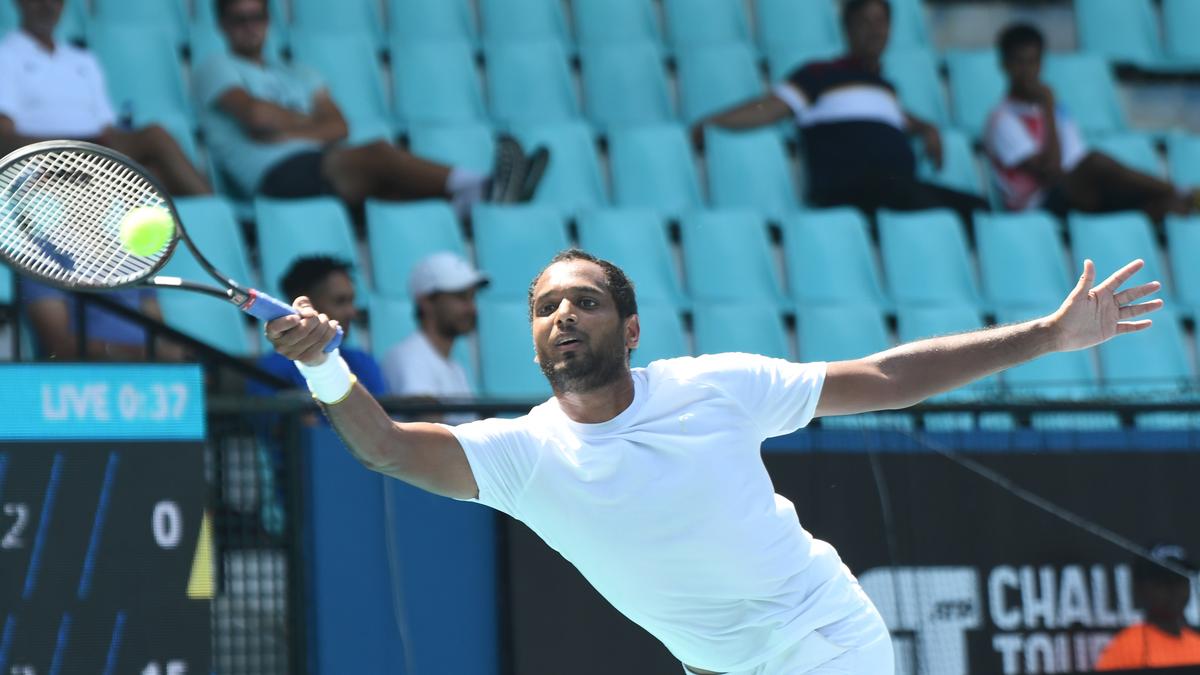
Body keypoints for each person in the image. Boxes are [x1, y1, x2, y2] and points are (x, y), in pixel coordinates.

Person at [266, 244, 1161, 675]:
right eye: (545, 308)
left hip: (827, 641)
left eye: (585, 301)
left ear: (632, 330)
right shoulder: (522, 454)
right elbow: (384, 448)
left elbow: (887, 376)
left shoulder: (716, 386)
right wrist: (321, 363)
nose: (563, 315)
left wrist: (1046, 336)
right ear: (534, 340)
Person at [196, 0, 546, 216]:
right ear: (223, 25)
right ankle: (484, 187)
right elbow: (257, 117)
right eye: (239, 19)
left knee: (390, 189)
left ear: (268, 20)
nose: (250, 27)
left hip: (318, 166)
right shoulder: (216, 66)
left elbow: (339, 126)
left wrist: (284, 127)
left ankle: (478, 198)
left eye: (257, 17)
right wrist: (309, 124)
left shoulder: (298, 72)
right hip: (273, 178)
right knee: (378, 154)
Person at [691, 0, 987, 224]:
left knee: (979, 208)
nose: (875, 30)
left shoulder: (885, 88)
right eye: (865, 22)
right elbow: (768, 108)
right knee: (926, 208)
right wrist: (712, 122)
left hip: (896, 188)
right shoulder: (819, 74)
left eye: (881, 22)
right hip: (848, 189)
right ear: (847, 28)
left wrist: (927, 128)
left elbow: (903, 119)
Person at [987, 23, 1199, 219]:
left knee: (1169, 206)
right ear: (1004, 65)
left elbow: (1075, 158)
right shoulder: (1002, 120)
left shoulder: (1055, 108)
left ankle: (1177, 198)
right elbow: (1051, 172)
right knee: (1096, 162)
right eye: (1019, 62)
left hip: (1073, 193)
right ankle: (1181, 190)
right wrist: (1048, 109)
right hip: (1034, 206)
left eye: (1033, 62)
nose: (1026, 72)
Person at [0, 0, 212, 196]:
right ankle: (215, 207)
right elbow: (4, 138)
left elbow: (107, 128)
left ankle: (214, 212)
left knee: (155, 168)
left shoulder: (84, 60)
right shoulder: (5, 56)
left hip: (97, 156)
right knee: (155, 137)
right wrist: (72, 146)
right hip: (47, 161)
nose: (48, 5)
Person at [248, 256, 386, 397]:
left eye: (351, 301)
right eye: (340, 301)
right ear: (303, 305)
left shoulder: (364, 363)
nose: (352, 312)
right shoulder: (270, 370)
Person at [381, 252, 487, 424]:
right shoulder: (409, 357)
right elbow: (428, 427)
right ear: (426, 302)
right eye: (461, 297)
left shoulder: (455, 366)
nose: (472, 308)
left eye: (472, 297)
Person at [1096, 544, 1200, 670]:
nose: (1175, 590)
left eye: (1181, 580)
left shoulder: (1196, 644)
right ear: (1142, 588)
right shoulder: (1125, 648)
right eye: (1164, 582)